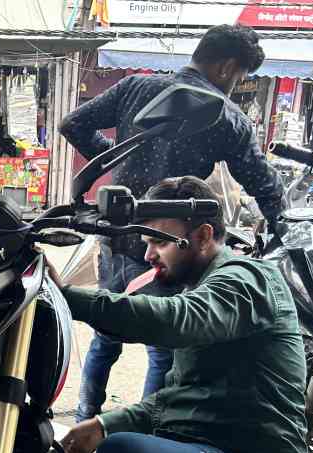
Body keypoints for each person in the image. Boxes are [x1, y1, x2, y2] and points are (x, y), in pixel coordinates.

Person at [42, 176, 307, 453]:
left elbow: (178, 321)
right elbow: (175, 397)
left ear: (202, 235)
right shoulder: (204, 288)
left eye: (158, 242)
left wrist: (68, 299)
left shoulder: (248, 280)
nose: (148, 255)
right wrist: (105, 423)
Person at [59, 24, 284, 424]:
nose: (236, 86)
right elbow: (264, 185)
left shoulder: (135, 88)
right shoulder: (226, 116)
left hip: (118, 234)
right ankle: (147, 433)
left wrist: (113, 160)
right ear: (228, 67)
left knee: (105, 335)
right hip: (172, 247)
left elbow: (71, 124)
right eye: (240, 78)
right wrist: (286, 229)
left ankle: (83, 422)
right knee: (163, 347)